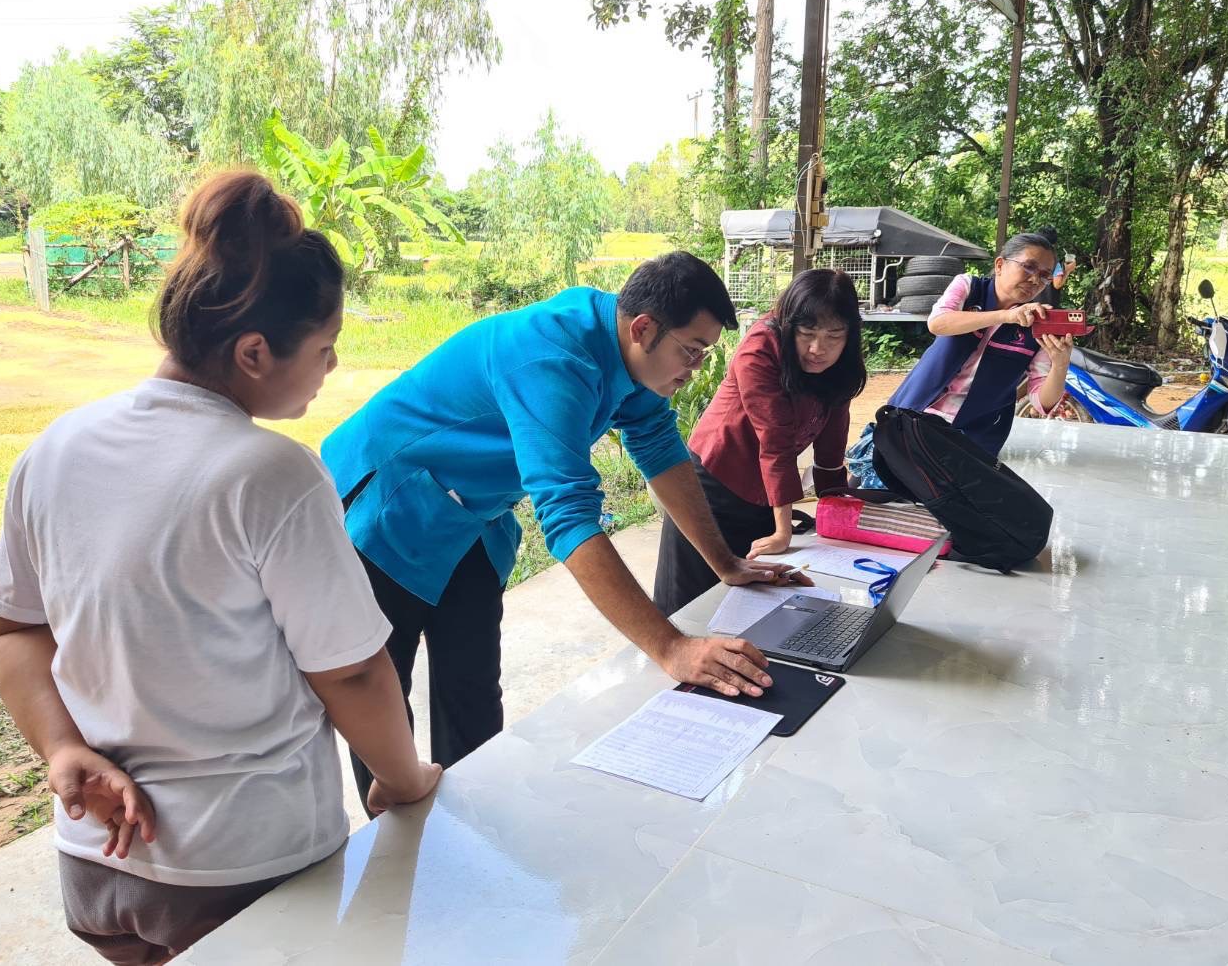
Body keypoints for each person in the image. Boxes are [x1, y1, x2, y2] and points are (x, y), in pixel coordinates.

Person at [0, 172, 440, 965]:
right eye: (325, 347)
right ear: (255, 352)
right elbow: (354, 674)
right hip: (241, 866)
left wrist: (60, 748)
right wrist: (403, 781)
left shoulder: (55, 448)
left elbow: (12, 627)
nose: (330, 367)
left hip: (96, 864)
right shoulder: (271, 473)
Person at [321, 252, 789, 811]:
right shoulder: (551, 357)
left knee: (470, 686)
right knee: (381, 698)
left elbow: (661, 451)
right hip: (389, 500)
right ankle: (391, 843)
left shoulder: (633, 357)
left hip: (468, 514)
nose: (693, 369)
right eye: (690, 351)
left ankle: (472, 823)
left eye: (704, 353)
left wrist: (724, 562)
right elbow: (566, 513)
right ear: (643, 328)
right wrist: (671, 648)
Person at [653, 268, 868, 614]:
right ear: (790, 324)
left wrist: (836, 515)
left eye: (834, 336)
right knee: (687, 606)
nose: (818, 348)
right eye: (807, 333)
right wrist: (783, 531)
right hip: (711, 484)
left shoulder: (840, 367)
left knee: (751, 599)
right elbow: (775, 442)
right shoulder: (760, 349)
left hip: (764, 494)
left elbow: (831, 445)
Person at [850, 232, 1074, 484]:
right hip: (912, 415)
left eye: (1045, 275)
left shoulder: (1038, 325)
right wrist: (1005, 316)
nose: (1035, 279)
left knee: (938, 512)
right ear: (1000, 265)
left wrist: (1061, 364)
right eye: (1028, 267)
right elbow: (939, 322)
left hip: (972, 439)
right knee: (868, 494)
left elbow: (1042, 402)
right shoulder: (969, 287)